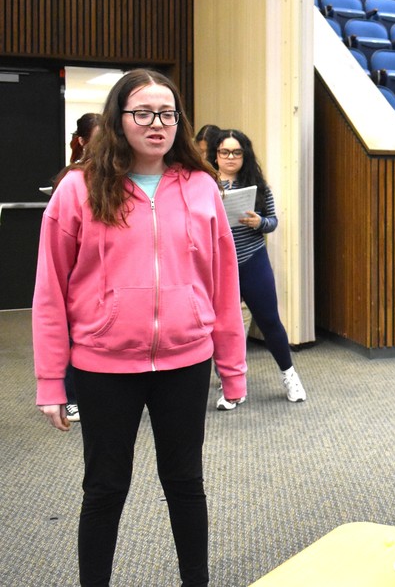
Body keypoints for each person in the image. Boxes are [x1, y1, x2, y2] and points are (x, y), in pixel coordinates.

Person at [33, 69, 248, 586]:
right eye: (143, 113)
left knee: (185, 483)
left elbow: (222, 283)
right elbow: (49, 291)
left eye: (168, 113)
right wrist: (49, 381)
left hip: (185, 360)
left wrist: (233, 368)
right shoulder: (78, 189)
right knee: (104, 488)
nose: (157, 124)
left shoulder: (200, 187)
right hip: (103, 365)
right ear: (118, 119)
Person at [207, 128, 306, 408]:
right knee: (223, 327)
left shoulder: (258, 187)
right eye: (224, 152)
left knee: (269, 320)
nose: (230, 157)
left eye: (236, 152)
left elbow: (273, 221)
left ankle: (290, 375)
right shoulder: (204, 185)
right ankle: (231, 386)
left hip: (252, 259)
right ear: (215, 155)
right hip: (218, 266)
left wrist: (258, 222)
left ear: (244, 155)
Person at [52, 111, 102, 423]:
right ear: (82, 142)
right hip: (74, 271)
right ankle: (71, 396)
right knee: (71, 336)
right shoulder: (71, 180)